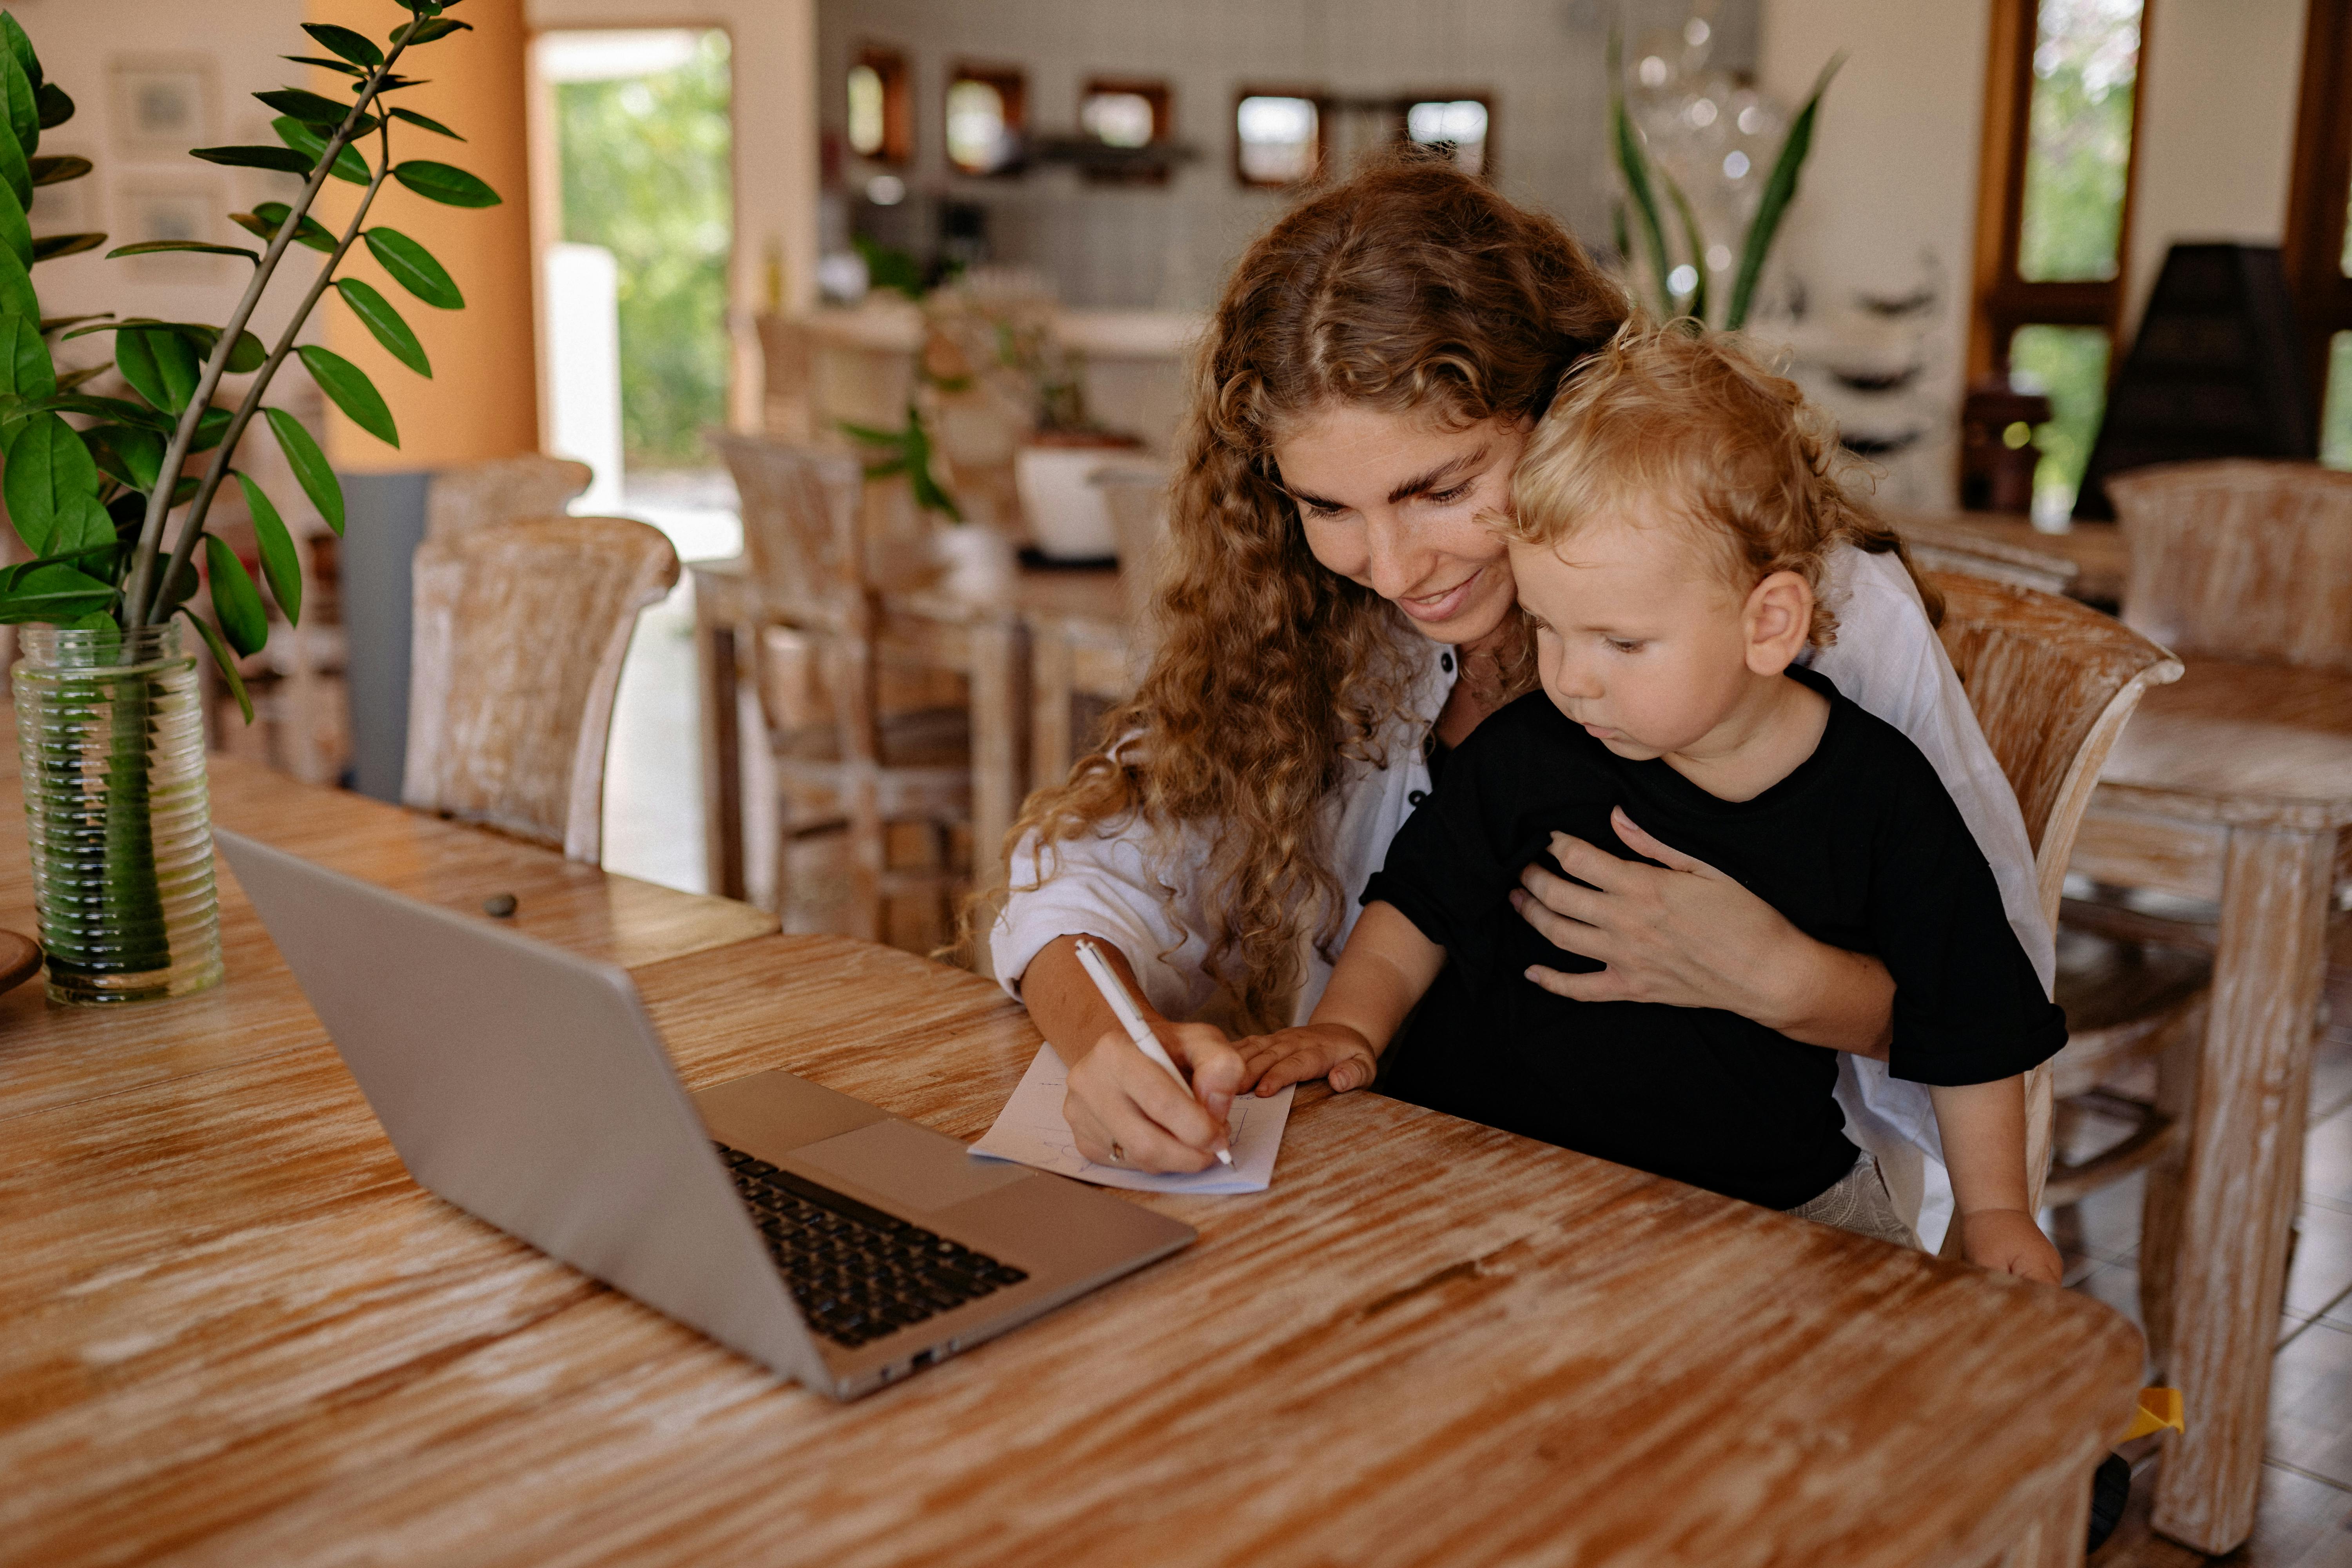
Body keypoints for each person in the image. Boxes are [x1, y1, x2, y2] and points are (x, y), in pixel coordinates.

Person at [992, 156, 2051, 1250]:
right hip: (1437, 1198)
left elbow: (1991, 991)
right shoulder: (1309, 607)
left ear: (1565, 409)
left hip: (1745, 1223)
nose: (1396, 569)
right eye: (1328, 506)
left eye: (1443, 489)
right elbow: (1084, 874)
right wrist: (1105, 1042)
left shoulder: (1808, 609)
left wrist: (1789, 981)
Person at [1235, 322, 2066, 1278]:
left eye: (1620, 643)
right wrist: (1347, 1028)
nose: (1573, 680)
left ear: (1769, 623)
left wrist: (1998, 1208)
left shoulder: (1882, 798)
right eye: (1549, 628)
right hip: (1497, 1171)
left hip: (1763, 1193)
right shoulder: (1530, 750)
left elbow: (1974, 1016)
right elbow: (1414, 907)